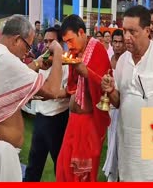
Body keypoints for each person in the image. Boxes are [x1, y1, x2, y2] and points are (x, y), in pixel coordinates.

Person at [0, 15, 64, 182]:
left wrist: (38, 63)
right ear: (17, 40)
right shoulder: (7, 60)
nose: (27, 52)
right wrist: (59, 53)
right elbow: (52, 91)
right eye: (27, 46)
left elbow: (12, 77)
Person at [101, 5, 153, 182]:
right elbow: (118, 102)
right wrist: (111, 90)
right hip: (127, 145)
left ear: (147, 30)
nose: (127, 37)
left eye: (133, 31)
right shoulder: (123, 60)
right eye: (124, 31)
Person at [56, 14, 111, 182]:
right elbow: (73, 88)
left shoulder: (98, 50)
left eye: (71, 40)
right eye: (66, 42)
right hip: (73, 121)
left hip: (88, 124)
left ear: (81, 32)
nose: (69, 46)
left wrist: (84, 70)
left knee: (82, 176)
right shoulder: (77, 52)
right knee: (63, 170)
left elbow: (104, 86)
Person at [24, 27, 70, 181]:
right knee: (33, 165)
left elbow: (68, 91)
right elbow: (29, 82)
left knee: (61, 165)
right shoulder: (41, 61)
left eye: (52, 41)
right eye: (46, 41)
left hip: (58, 119)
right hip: (40, 118)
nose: (48, 45)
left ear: (61, 43)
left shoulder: (68, 63)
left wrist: (51, 93)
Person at [102, 29, 126, 182]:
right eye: (115, 42)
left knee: (120, 143)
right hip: (110, 106)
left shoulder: (127, 61)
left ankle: (118, 175)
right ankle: (112, 173)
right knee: (111, 141)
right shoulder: (109, 59)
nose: (117, 45)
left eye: (120, 42)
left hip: (123, 108)